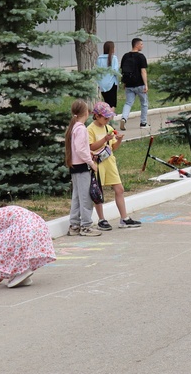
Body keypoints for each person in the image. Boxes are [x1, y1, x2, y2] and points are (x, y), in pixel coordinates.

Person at [0, 197, 56, 289]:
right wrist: (0, 275)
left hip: (26, 230)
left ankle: (21, 272)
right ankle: (19, 273)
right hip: (40, 227)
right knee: (0, 238)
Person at [88, 102, 142, 231]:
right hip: (98, 163)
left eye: (108, 118)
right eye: (105, 118)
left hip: (109, 161)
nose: (107, 120)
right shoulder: (90, 129)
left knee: (119, 189)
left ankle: (124, 218)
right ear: (96, 116)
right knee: (98, 191)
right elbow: (90, 147)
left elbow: (113, 147)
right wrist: (104, 139)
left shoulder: (108, 128)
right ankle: (101, 219)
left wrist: (118, 140)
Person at [65, 99, 101, 237]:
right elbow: (80, 149)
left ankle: (74, 225)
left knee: (77, 196)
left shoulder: (74, 128)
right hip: (81, 166)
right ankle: (86, 226)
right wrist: (91, 163)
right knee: (86, 197)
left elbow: (78, 148)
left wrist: (88, 152)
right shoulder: (81, 129)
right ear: (86, 112)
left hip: (75, 166)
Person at [119, 37, 149, 131]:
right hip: (140, 84)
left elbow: (123, 70)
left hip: (129, 85)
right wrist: (146, 84)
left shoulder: (125, 56)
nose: (142, 46)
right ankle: (143, 123)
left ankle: (124, 118)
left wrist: (125, 82)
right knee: (144, 103)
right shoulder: (141, 57)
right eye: (141, 44)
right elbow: (143, 71)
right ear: (137, 45)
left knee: (128, 103)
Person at [96, 40, 120, 109]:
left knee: (106, 103)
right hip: (111, 83)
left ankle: (106, 118)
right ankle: (110, 118)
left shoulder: (99, 58)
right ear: (111, 49)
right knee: (112, 104)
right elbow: (115, 71)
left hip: (102, 84)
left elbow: (97, 71)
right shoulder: (114, 58)